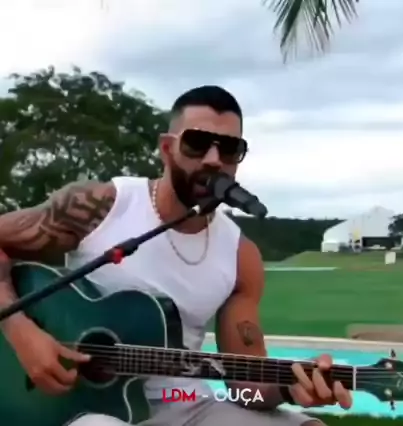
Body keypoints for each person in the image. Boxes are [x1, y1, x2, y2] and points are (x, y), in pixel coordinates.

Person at [0, 85, 352, 426]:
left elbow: (246, 390)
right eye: (197, 144)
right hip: (84, 409)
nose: (213, 160)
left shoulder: (240, 255)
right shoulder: (101, 206)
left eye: (229, 149)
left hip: (184, 403)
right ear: (167, 149)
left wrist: (289, 387)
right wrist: (20, 330)